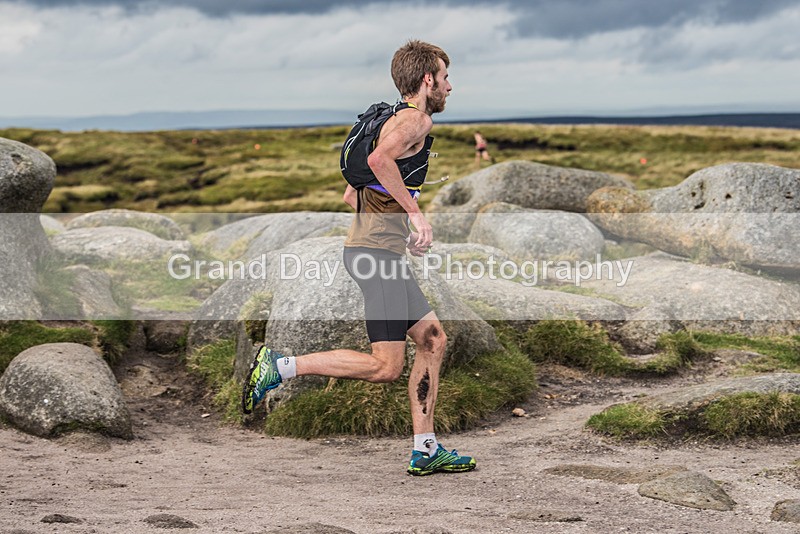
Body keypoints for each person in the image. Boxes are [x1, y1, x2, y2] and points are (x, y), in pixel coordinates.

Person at [242, 40, 476, 476]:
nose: (450, 86)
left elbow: (353, 193)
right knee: (386, 366)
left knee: (432, 339)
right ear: (427, 80)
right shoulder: (416, 119)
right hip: (376, 257)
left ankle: (426, 449)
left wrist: (395, 227)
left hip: (376, 251)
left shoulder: (386, 119)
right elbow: (378, 160)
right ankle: (280, 367)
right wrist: (415, 216)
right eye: (445, 77)